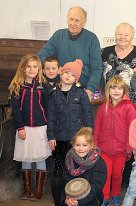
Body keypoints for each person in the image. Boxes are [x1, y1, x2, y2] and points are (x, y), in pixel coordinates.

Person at [47, 59, 94, 206]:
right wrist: (51, 136)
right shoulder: (53, 94)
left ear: (76, 79)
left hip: (76, 142)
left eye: (72, 75)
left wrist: (88, 135)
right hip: (60, 141)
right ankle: (59, 202)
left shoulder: (81, 94)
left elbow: (87, 115)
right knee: (58, 178)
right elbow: (51, 117)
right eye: (66, 72)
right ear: (61, 73)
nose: (68, 76)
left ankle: (76, 201)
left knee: (77, 174)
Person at [8, 54, 52, 201]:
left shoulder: (43, 87)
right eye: (29, 66)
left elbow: (48, 108)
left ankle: (38, 190)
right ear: (23, 68)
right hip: (24, 129)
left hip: (41, 128)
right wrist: (20, 127)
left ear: (39, 69)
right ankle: (27, 189)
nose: (32, 69)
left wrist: (49, 127)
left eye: (35, 66)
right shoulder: (17, 87)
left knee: (40, 158)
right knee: (25, 157)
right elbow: (16, 109)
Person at [38, 6, 102, 99]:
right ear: (67, 19)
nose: (73, 23)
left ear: (84, 22)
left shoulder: (92, 39)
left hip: (82, 89)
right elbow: (41, 56)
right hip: (60, 88)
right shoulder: (58, 35)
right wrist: (54, 68)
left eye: (77, 20)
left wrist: (89, 89)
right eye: (71, 19)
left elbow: (96, 69)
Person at [94, 76, 136, 206]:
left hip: (121, 150)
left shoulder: (129, 108)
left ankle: (116, 194)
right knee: (106, 174)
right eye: (113, 88)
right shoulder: (103, 107)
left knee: (117, 175)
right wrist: (96, 145)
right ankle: (106, 197)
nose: (116, 91)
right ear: (108, 90)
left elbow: (132, 129)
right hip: (104, 149)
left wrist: (128, 147)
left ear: (124, 90)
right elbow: (97, 127)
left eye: (119, 88)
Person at [102, 22, 136, 108]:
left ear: (132, 37)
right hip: (108, 104)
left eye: (126, 35)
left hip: (133, 105)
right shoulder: (104, 53)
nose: (122, 37)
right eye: (119, 34)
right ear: (115, 35)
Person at [62, 127, 107, 206]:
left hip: (92, 197)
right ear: (73, 146)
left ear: (91, 146)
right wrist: (67, 198)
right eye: (77, 145)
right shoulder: (69, 160)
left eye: (85, 145)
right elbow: (66, 181)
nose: (81, 148)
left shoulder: (99, 163)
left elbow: (96, 186)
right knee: (56, 183)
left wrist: (79, 202)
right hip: (73, 195)